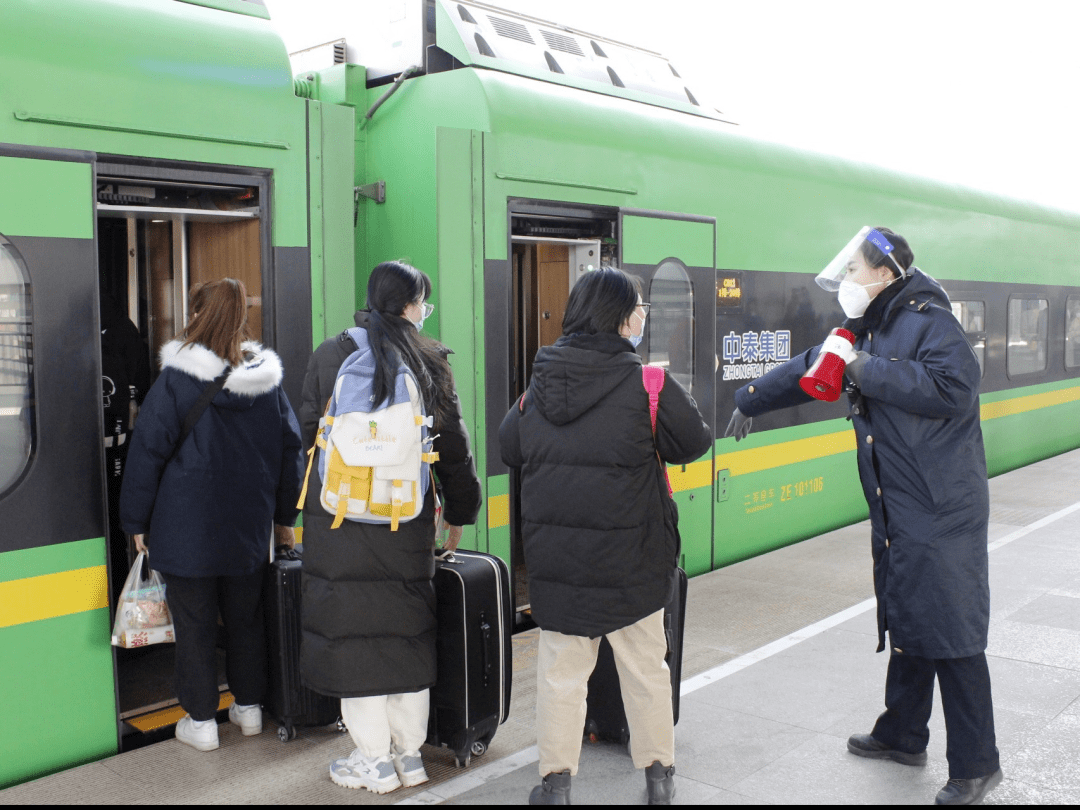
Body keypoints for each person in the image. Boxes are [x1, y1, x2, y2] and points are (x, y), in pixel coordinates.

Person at [724, 227, 1002, 806]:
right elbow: (813, 362)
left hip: (941, 507)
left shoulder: (931, 321)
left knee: (951, 631)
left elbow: (955, 388)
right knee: (909, 615)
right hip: (901, 504)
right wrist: (751, 398)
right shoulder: (871, 326)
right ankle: (903, 732)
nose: (846, 280)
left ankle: (978, 764)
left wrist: (864, 367)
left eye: (854, 269)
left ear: (884, 273)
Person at [499, 267, 711, 806]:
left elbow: (509, 447)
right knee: (645, 670)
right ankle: (659, 779)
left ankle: (556, 785)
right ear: (620, 317)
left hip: (561, 565)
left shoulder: (539, 386)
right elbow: (694, 443)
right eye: (638, 308)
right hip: (633, 561)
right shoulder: (648, 384)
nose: (643, 317)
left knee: (560, 679)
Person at [298, 260, 482, 794]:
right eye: (423, 302)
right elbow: (454, 450)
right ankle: (410, 755)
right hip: (406, 519)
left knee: (353, 637)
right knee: (404, 634)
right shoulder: (430, 361)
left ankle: (372, 760)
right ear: (409, 306)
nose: (426, 311)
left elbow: (310, 435)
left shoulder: (331, 355)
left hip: (339, 520)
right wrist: (459, 512)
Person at [119, 278, 304, 752]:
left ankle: (201, 722)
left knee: (196, 627)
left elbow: (147, 453)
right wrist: (284, 518)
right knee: (246, 621)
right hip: (248, 531)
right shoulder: (266, 381)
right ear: (242, 316)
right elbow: (291, 451)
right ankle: (249, 710)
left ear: (197, 313)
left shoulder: (177, 379)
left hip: (185, 531)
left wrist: (135, 522)